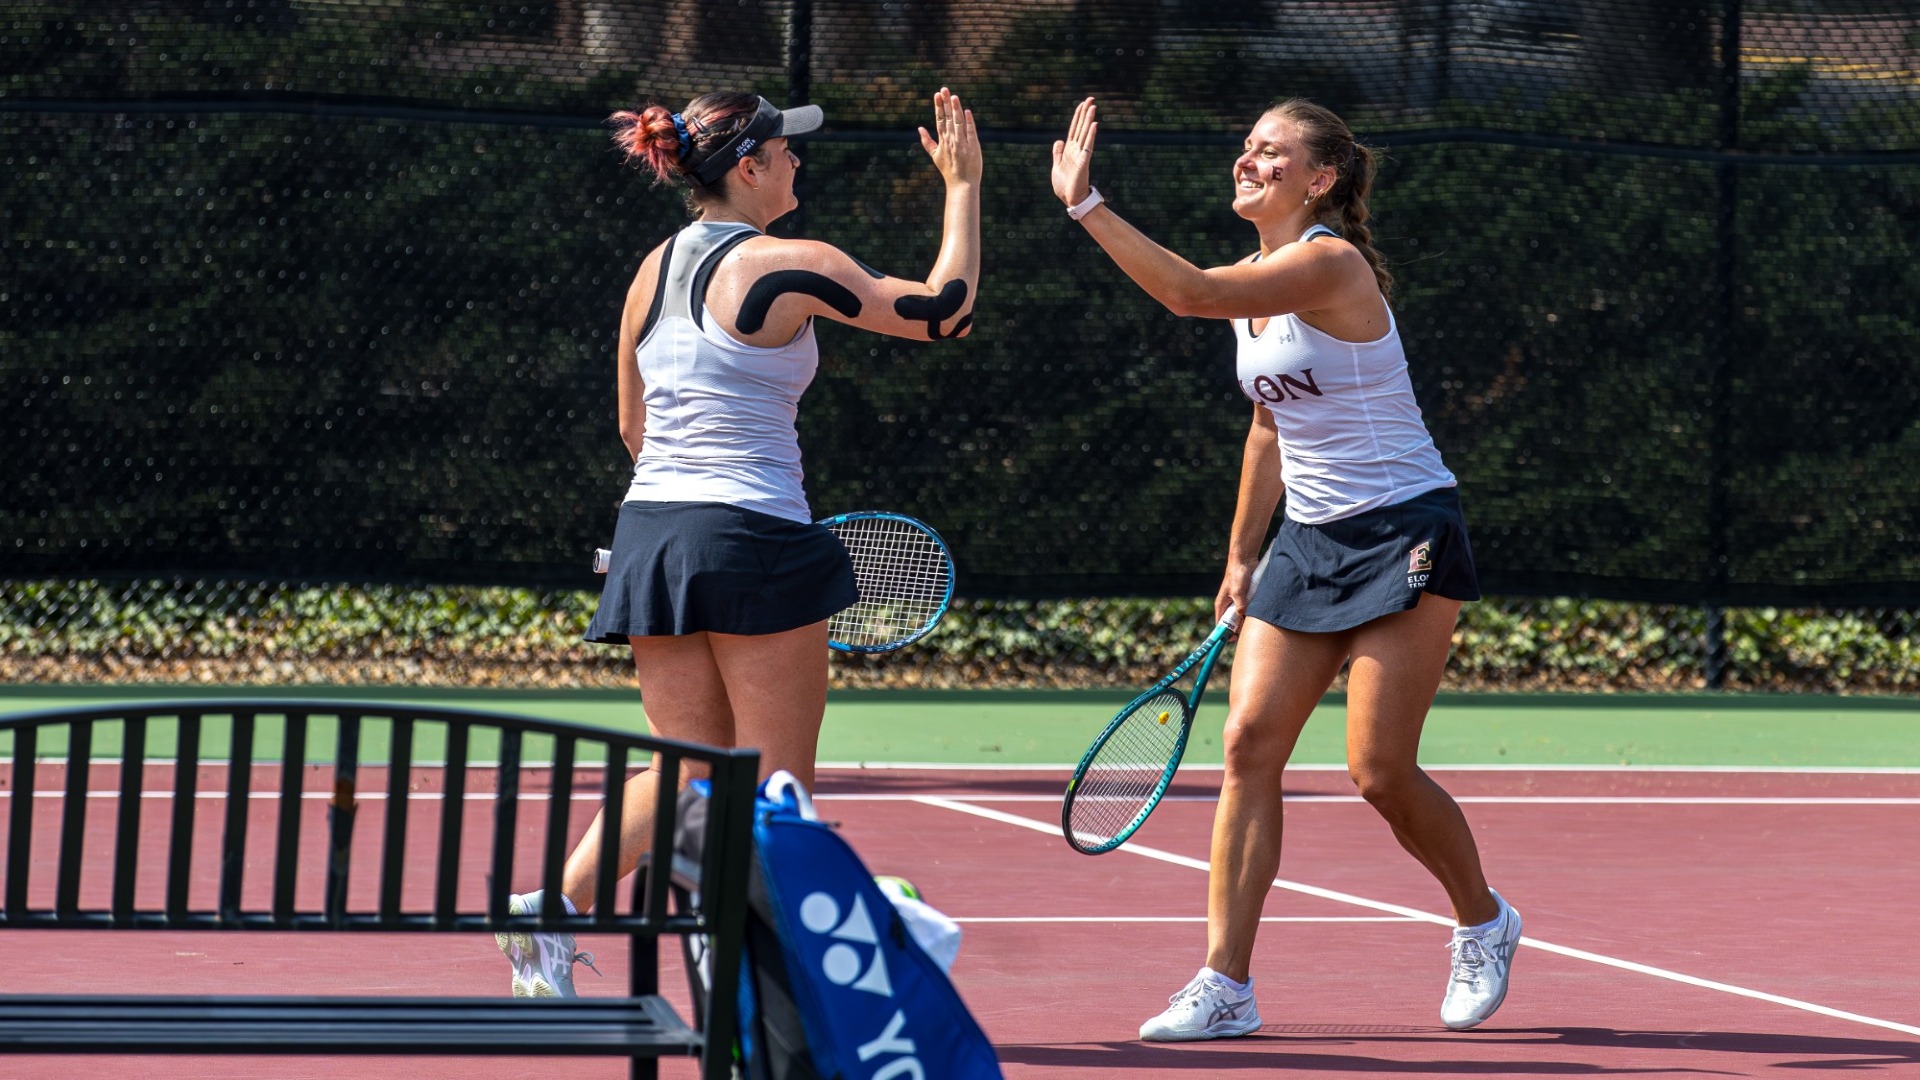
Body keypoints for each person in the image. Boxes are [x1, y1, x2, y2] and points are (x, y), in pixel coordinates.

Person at [1049, 96, 1521, 1039]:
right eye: (1247, 146)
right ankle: (1226, 985)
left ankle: (1483, 920)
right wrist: (1240, 551)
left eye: (1273, 151)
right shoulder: (1262, 280)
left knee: (1379, 770)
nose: (1249, 160)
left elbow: (1185, 292)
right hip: (1307, 540)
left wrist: (1085, 205)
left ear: (1321, 179)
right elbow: (1270, 421)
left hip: (1404, 526)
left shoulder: (1329, 263)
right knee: (1247, 746)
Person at [496, 87, 981, 998]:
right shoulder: (792, 263)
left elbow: (631, 422)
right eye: (785, 150)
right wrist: (963, 186)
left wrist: (690, 512)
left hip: (651, 537)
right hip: (749, 533)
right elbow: (944, 309)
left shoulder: (651, 267)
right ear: (749, 167)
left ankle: (547, 915)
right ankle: (758, 963)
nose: (799, 160)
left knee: (689, 772)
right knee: (776, 792)